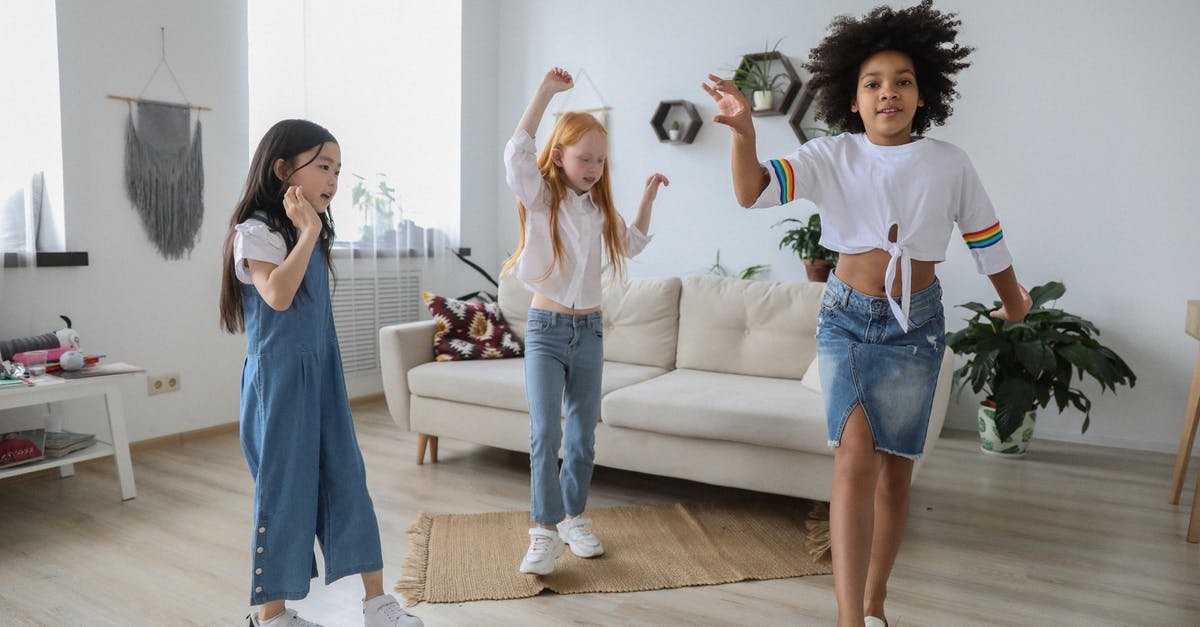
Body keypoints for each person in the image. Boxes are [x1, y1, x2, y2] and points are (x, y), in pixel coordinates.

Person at [703, 3, 1032, 625]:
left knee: (895, 474)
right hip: (848, 319)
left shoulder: (949, 162)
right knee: (854, 456)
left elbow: (986, 237)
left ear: (922, 94)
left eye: (902, 81)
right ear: (852, 99)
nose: (889, 93)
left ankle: (875, 599)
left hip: (917, 325)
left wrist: (1014, 300)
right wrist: (745, 134)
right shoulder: (832, 157)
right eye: (874, 83)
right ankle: (848, 618)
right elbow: (751, 192)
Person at [218, 119, 422, 627]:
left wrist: (309, 230)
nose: (333, 180)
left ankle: (377, 603)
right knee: (285, 495)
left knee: (347, 480)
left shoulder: (308, 230)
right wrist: (308, 231)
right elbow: (278, 296)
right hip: (279, 384)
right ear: (283, 168)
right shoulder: (255, 233)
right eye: (324, 166)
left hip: (323, 374)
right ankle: (271, 616)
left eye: (338, 170)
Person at [501, 67, 669, 576]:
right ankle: (543, 531)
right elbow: (516, 153)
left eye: (600, 159)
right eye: (584, 158)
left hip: (591, 331)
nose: (594, 167)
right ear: (559, 156)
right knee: (543, 433)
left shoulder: (597, 211)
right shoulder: (541, 198)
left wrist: (645, 201)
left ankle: (575, 518)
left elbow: (633, 245)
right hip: (547, 332)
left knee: (581, 436)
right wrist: (546, 92)